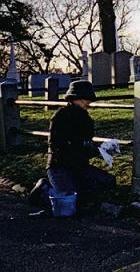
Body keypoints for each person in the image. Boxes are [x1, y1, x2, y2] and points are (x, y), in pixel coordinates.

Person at [29, 80, 118, 216]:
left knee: (107, 181)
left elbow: (85, 144)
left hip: (79, 166)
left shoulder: (86, 119)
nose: (88, 102)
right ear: (74, 98)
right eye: (84, 98)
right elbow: (56, 146)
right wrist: (79, 149)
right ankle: (46, 190)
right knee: (67, 200)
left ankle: (75, 192)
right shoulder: (60, 117)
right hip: (60, 166)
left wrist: (101, 150)